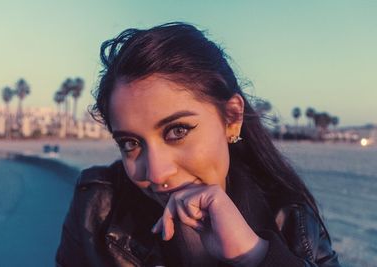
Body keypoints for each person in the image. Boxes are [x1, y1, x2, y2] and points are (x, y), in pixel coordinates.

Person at [56, 22, 340, 267]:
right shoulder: (97, 208)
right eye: (130, 143)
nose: (156, 174)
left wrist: (255, 256)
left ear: (231, 118)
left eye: (177, 131)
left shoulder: (290, 218)